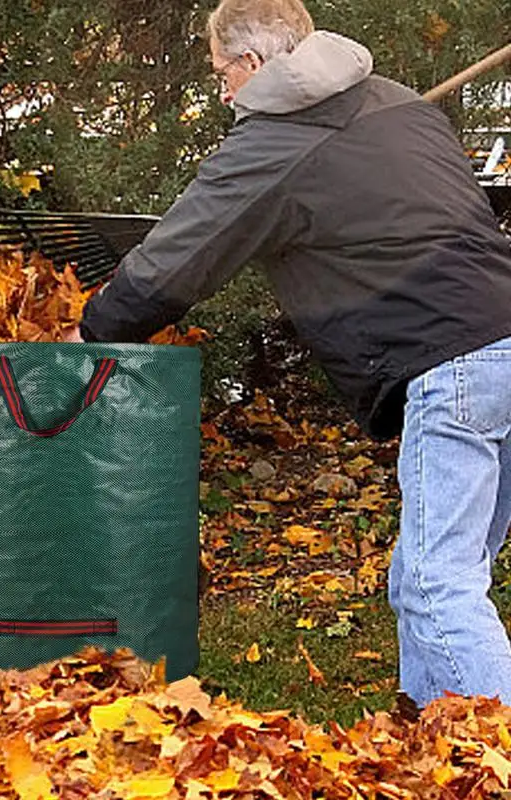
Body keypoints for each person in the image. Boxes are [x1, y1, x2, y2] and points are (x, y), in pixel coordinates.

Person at [64, 0, 511, 711]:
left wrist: (92, 331)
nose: (223, 94)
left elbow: (182, 257)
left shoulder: (276, 142)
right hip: (500, 342)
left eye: (221, 76)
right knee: (433, 575)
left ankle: (491, 759)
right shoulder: (394, 103)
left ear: (254, 65)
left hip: (455, 365)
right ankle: (435, 745)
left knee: (436, 584)